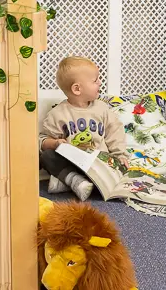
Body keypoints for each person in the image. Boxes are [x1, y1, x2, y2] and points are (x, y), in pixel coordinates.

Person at [38, 56, 129, 201]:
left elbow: (115, 132)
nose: (100, 82)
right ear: (77, 89)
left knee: (113, 177)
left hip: (97, 165)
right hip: (73, 164)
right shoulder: (58, 114)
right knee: (46, 156)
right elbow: (42, 141)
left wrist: (120, 155)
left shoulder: (102, 109)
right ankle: (73, 180)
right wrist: (55, 143)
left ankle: (67, 182)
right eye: (95, 80)